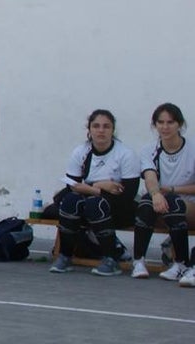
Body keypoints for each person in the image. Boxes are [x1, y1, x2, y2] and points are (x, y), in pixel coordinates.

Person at [47, 109, 140, 276]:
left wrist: (91, 189)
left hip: (121, 208)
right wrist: (100, 186)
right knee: (70, 201)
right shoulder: (81, 151)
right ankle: (65, 255)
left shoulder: (125, 154)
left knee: (95, 204)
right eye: (96, 126)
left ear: (113, 129)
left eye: (106, 126)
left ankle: (111, 259)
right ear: (89, 129)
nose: (101, 130)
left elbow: (128, 194)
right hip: (90, 203)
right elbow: (72, 186)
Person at [130, 103, 195, 283]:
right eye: (160, 122)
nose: (165, 127)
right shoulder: (149, 150)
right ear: (155, 125)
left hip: (189, 207)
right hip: (161, 205)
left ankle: (181, 264)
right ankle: (138, 261)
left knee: (173, 201)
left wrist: (172, 190)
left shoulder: (192, 148)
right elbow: (150, 177)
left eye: (170, 122)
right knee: (145, 202)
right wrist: (156, 194)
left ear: (180, 124)